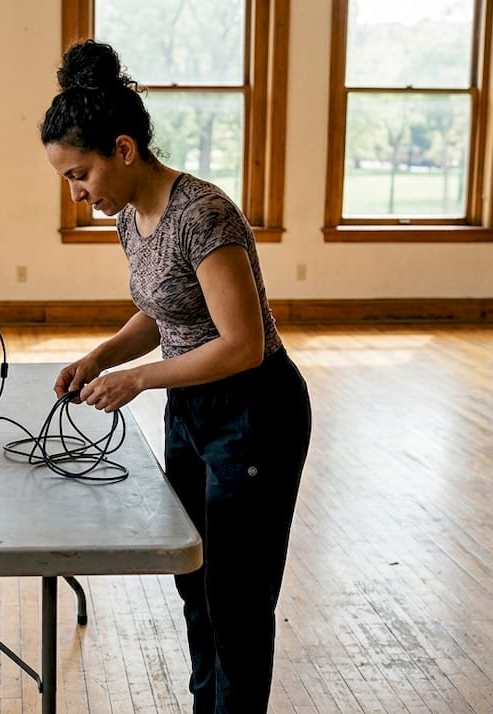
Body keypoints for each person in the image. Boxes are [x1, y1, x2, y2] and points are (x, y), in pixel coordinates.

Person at [40, 40, 313, 713]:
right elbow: (162, 309)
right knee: (195, 580)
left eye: (80, 175)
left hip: (255, 410)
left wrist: (138, 382)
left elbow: (242, 345)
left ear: (124, 150)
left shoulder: (204, 215)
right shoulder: (131, 215)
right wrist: (104, 356)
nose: (79, 195)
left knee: (238, 601)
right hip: (192, 409)